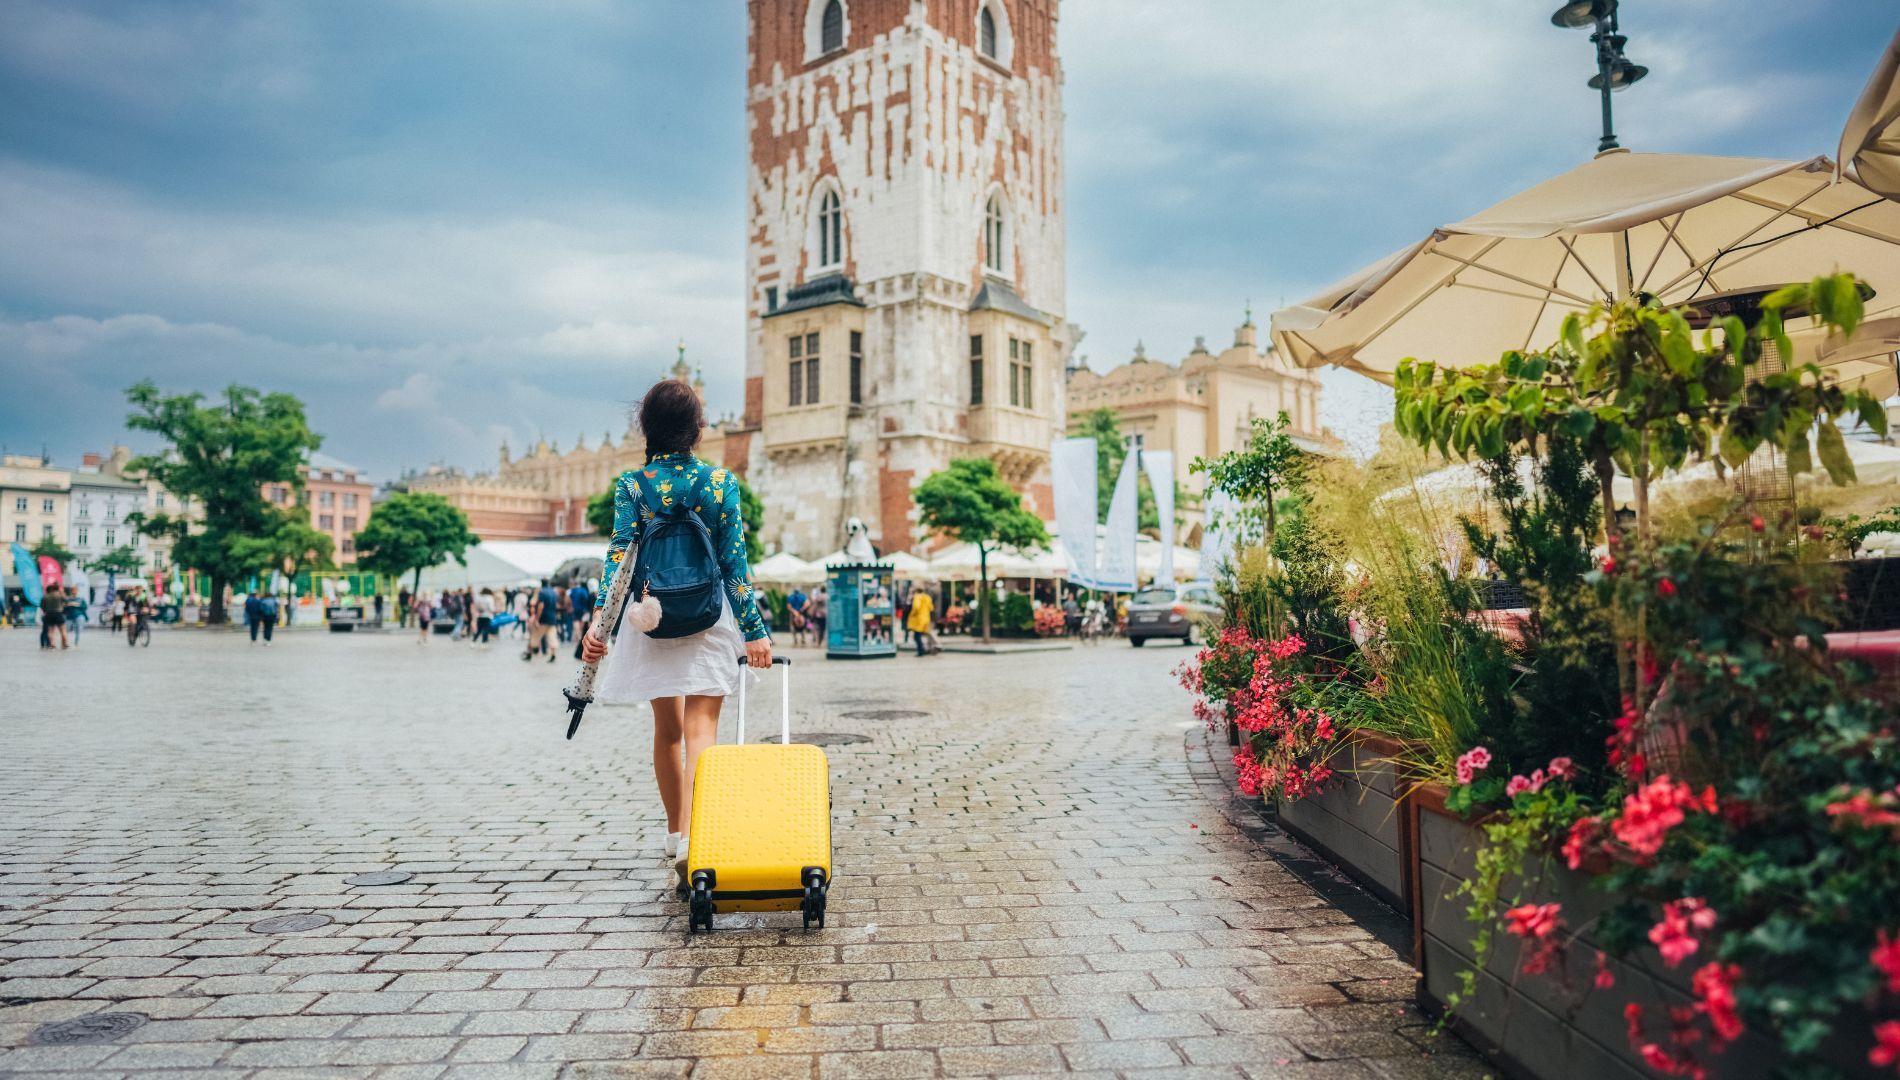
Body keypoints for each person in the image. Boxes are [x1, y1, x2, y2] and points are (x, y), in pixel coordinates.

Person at [581, 378, 772, 883]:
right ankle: (699, 838)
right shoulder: (719, 483)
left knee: (666, 731)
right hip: (708, 617)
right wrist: (754, 631)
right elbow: (735, 564)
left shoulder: (632, 485)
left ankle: (675, 833)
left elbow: (619, 560)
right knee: (701, 728)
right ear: (697, 429)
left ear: (648, 427)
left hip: (651, 617)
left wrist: (599, 625)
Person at [907, 586, 938, 656]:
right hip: (926, 618)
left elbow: (916, 607)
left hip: (918, 619)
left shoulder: (917, 597)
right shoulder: (927, 597)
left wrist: (912, 614)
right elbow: (931, 608)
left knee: (916, 636)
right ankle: (932, 647)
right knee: (926, 634)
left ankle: (921, 651)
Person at [569, 579, 594, 660]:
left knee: (576, 623)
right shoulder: (584, 591)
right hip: (583, 611)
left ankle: (578, 635)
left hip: (575, 610)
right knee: (581, 625)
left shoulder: (573, 591)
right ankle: (579, 635)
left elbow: (570, 599)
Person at [41, 585, 68, 650]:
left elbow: (42, 606)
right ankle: (65, 644)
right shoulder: (59, 595)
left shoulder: (45, 596)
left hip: (49, 614)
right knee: (63, 630)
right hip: (58, 613)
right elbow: (66, 601)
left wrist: (46, 610)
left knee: (51, 631)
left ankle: (52, 645)